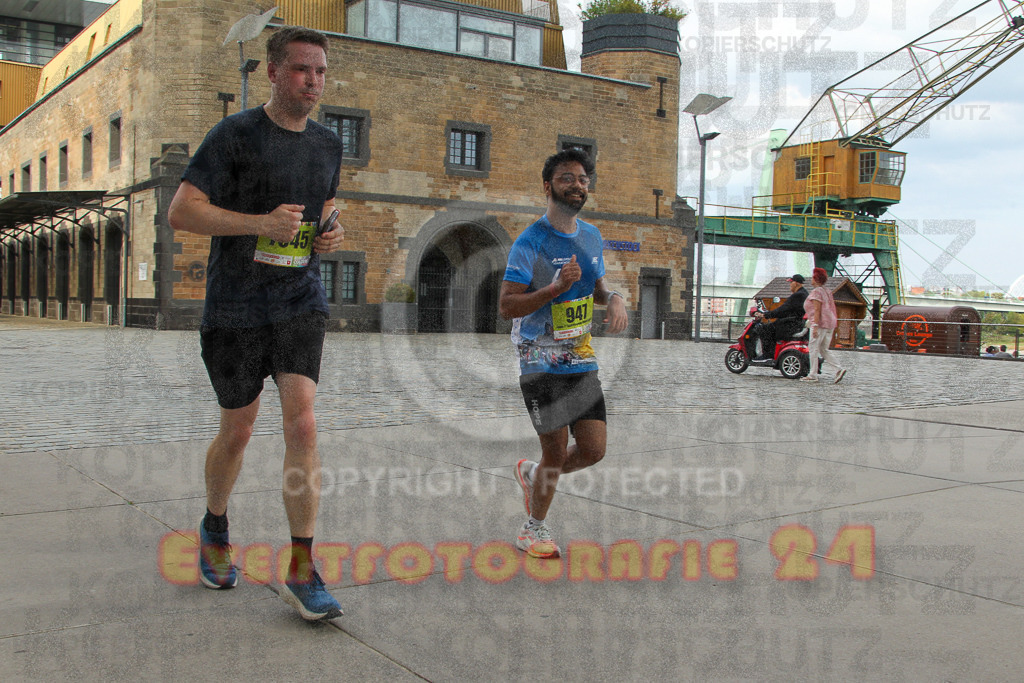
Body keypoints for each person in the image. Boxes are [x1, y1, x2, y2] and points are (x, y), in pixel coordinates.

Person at [167, 27, 345, 621]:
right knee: (239, 429)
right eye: (301, 70)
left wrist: (327, 234)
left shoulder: (327, 144)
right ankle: (215, 525)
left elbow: (316, 216)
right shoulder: (234, 135)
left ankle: (302, 567)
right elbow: (182, 211)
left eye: (320, 72)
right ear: (272, 72)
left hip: (299, 299)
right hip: (237, 306)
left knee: (303, 423)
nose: (312, 82)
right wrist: (258, 225)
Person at [499, 149, 628, 559]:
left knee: (593, 449)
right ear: (548, 186)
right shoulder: (530, 241)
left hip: (580, 356)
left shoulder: (590, 235)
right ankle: (532, 528)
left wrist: (616, 298)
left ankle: (537, 477)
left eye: (584, 179)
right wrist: (554, 288)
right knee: (555, 450)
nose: (578, 185)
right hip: (538, 359)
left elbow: (598, 286)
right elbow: (507, 305)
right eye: (568, 178)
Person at [800, 267, 848, 383]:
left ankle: (812, 374)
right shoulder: (827, 291)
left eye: (812, 277)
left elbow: (817, 310)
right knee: (823, 349)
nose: (811, 279)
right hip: (830, 323)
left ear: (816, 279)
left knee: (813, 348)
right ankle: (838, 368)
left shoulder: (816, 292)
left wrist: (815, 325)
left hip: (820, 324)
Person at [748, 274, 809, 360]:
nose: (790, 285)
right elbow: (786, 310)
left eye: (791, 282)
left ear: (796, 283)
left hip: (791, 324)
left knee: (763, 329)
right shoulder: (804, 293)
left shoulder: (798, 295)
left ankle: (767, 355)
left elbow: (783, 309)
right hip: (795, 323)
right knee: (771, 327)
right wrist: (771, 314)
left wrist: (767, 315)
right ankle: (772, 353)